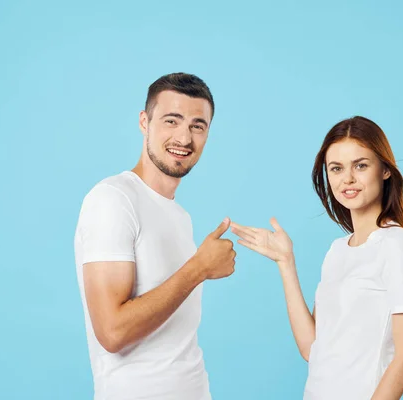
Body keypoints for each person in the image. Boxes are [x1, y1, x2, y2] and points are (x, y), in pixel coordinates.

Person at [231, 116, 403, 399]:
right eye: (336, 168)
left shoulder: (396, 244)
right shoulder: (337, 251)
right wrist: (286, 263)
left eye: (361, 165)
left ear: (384, 169)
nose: (347, 179)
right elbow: (312, 348)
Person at [74, 72, 236, 400]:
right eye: (171, 121)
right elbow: (112, 331)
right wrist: (199, 269)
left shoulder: (180, 217)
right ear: (144, 122)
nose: (184, 138)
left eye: (197, 126)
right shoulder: (113, 199)